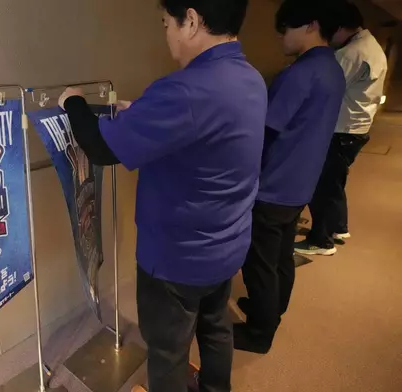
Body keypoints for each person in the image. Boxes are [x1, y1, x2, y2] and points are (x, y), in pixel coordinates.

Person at [57, 0, 266, 390]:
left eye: (167, 23)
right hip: (227, 244)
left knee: (169, 351)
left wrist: (73, 102)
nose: (166, 32)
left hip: (177, 258)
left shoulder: (184, 90)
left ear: (191, 20)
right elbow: (206, 134)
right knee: (216, 327)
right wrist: (141, 113)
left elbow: (102, 149)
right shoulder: (249, 78)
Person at [233, 0, 346, 354]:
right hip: (301, 182)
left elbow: (264, 131)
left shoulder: (299, 73)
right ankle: (273, 311)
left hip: (274, 183)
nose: (282, 37)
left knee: (261, 262)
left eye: (286, 28)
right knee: (281, 255)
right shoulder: (332, 69)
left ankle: (260, 333)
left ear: (311, 25)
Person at [295, 1, 388, 256]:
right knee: (335, 182)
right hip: (355, 128)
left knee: (324, 185)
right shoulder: (370, 45)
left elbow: (327, 86)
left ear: (339, 27)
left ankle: (321, 240)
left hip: (343, 128)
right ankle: (338, 227)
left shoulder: (352, 52)